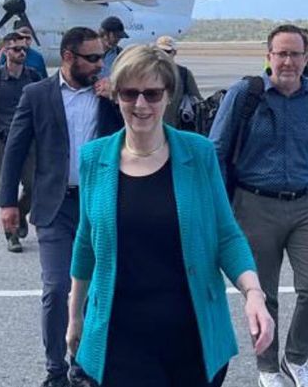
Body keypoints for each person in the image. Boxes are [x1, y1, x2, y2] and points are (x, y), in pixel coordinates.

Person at [66, 45, 273, 387]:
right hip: (121, 336)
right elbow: (86, 243)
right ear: (116, 96)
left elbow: (226, 233)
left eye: (152, 93)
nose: (141, 104)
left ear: (168, 96)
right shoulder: (94, 158)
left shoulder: (198, 153)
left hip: (191, 334)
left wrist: (253, 293)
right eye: (130, 93)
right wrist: (74, 318)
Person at [208, 24, 308, 387]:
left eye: (295, 54)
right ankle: (267, 369)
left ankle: (295, 359)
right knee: (262, 294)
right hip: (254, 204)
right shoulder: (245, 93)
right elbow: (216, 151)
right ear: (268, 56)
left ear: (307, 57)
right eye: (280, 53)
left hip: (306, 203)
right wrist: (223, 206)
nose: (287, 61)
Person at [0, 26, 123, 387]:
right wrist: (8, 202)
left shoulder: (108, 96)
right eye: (94, 57)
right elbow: (15, 148)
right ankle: (56, 370)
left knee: (99, 288)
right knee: (56, 288)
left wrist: (118, 99)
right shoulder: (37, 94)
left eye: (102, 56)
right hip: (55, 204)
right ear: (68, 57)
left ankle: (85, 364)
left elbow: (140, 135)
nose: (101, 63)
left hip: (100, 204)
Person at [0, 32, 42, 253]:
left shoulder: (33, 77)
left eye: (24, 49)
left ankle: (21, 213)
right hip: (3, 141)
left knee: (34, 186)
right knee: (7, 188)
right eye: (16, 49)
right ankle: (11, 235)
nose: (21, 52)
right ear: (4, 51)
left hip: (29, 141)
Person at [155, 36, 202, 128]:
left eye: (167, 51)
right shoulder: (147, 72)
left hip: (176, 127)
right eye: (160, 51)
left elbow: (197, 100)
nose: (163, 54)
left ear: (174, 53)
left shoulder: (184, 73)